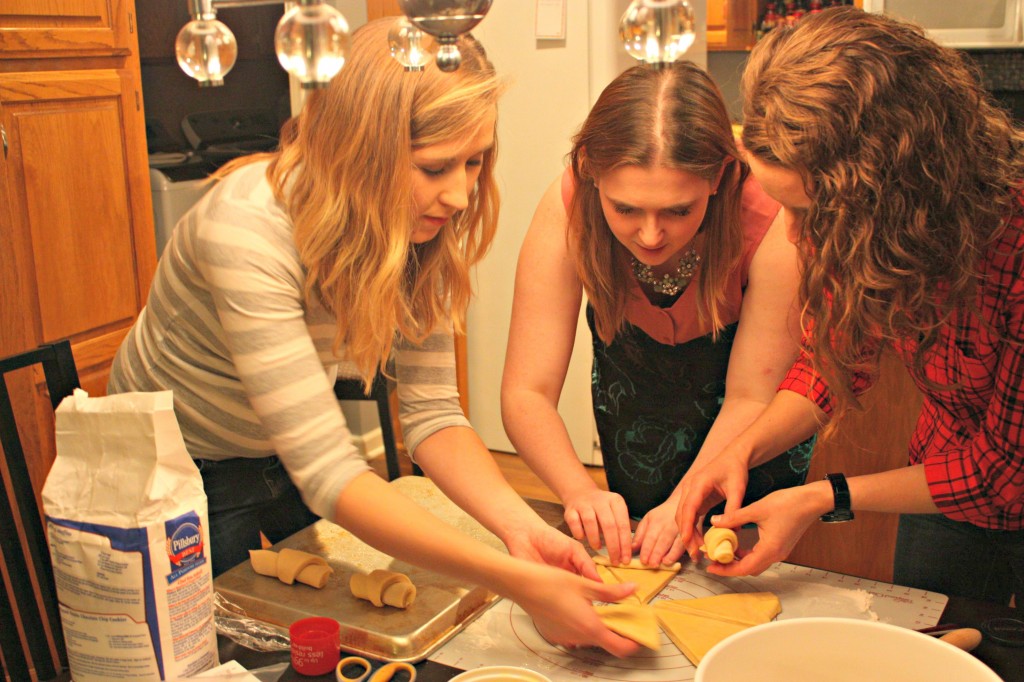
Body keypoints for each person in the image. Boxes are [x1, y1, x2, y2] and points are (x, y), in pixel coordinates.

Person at [108, 19, 641, 655]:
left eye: (475, 162)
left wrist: (521, 532)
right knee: (232, 652)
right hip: (177, 466)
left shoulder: (417, 228)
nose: (462, 193)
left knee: (305, 639)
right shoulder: (245, 231)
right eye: (435, 165)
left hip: (277, 451)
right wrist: (519, 580)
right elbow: (332, 475)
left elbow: (433, 415)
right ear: (356, 150)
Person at [675, 6, 1024, 605]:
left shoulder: (1012, 246)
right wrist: (740, 451)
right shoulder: (864, 228)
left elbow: (1003, 476)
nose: (791, 236)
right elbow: (830, 360)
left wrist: (820, 497)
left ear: (895, 196)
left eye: (810, 213)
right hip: (946, 489)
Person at [501, 60, 813, 569]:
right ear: (590, 171)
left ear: (721, 177)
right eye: (625, 210)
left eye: (677, 211)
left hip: (744, 432)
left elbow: (751, 396)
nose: (649, 235)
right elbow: (526, 392)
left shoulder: (772, 220)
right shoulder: (570, 204)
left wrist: (687, 501)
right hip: (637, 414)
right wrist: (579, 491)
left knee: (737, 582)